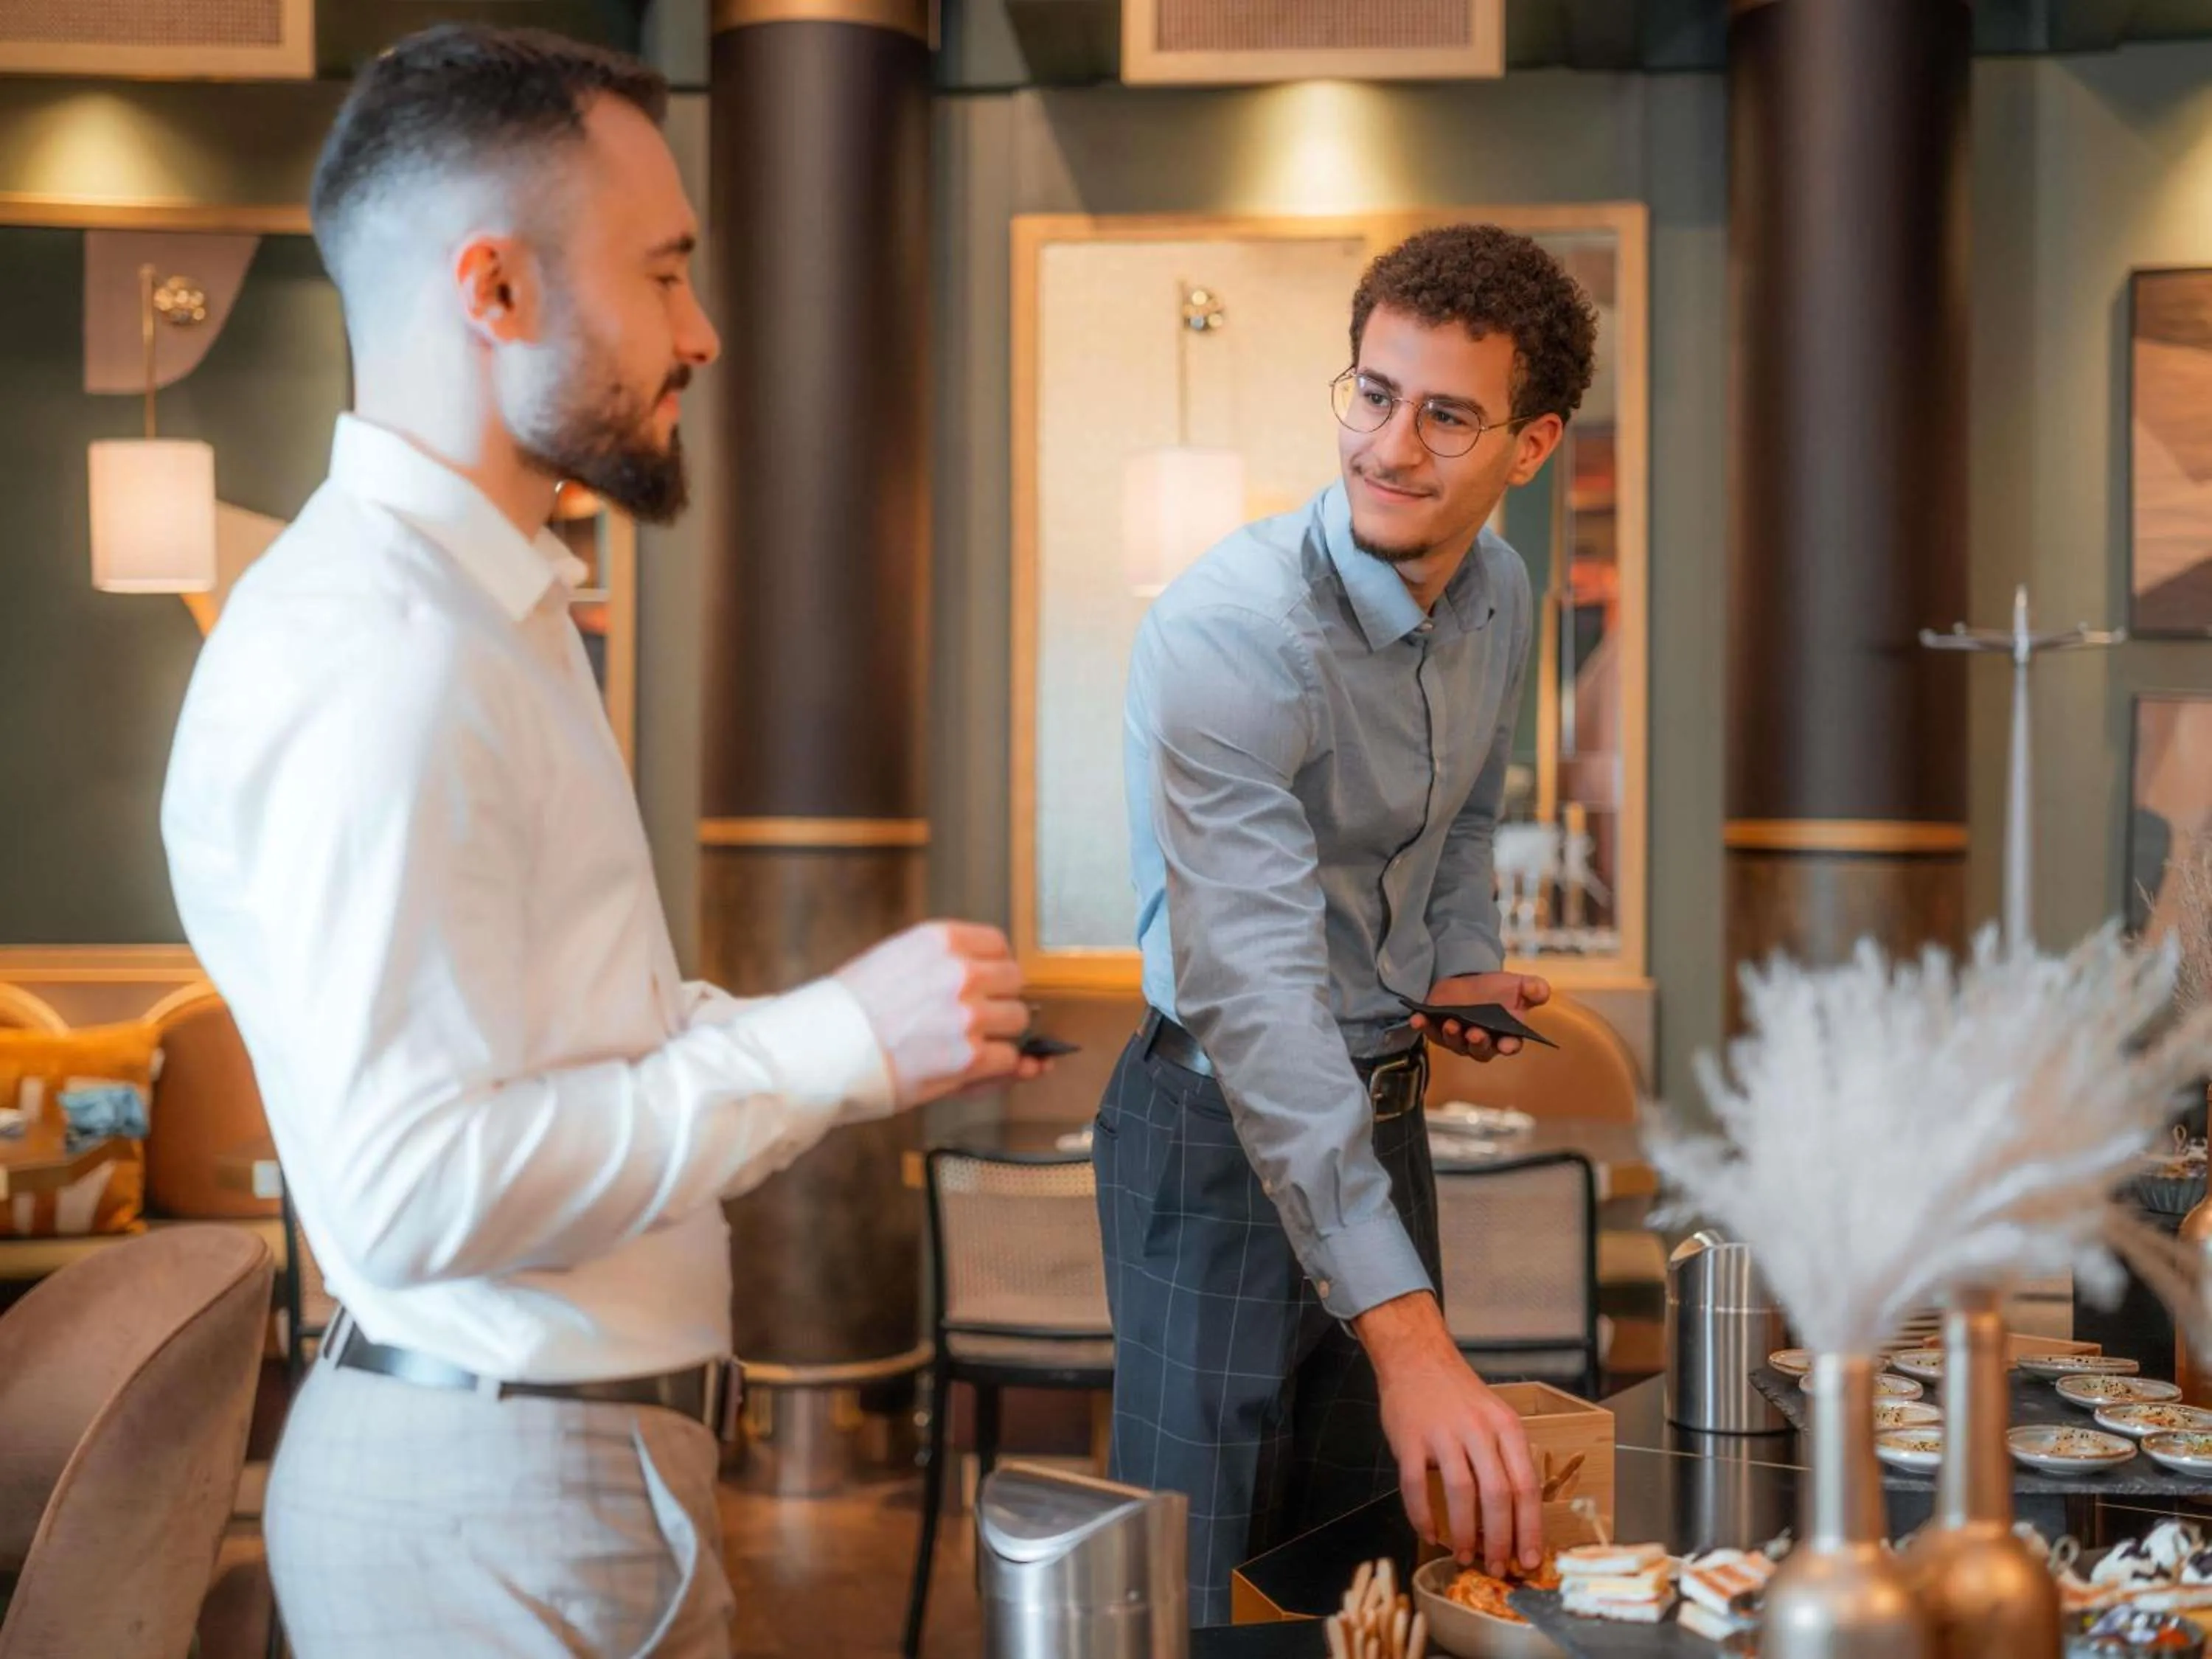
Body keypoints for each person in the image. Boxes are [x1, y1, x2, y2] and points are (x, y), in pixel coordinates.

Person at [161, 26, 1038, 1657]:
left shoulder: (488, 616)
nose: (702, 333)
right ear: (495, 290)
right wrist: (829, 1044)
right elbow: (412, 1187)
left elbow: (570, 1052)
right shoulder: (386, 656)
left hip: (559, 1473)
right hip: (492, 1497)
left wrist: (850, 1041)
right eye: (665, 272)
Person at [1098, 223, 1599, 1622]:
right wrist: (1415, 1340)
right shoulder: (1232, 632)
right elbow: (1258, 1004)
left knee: (1368, 1576)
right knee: (1203, 1593)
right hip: (1212, 1131)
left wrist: (1456, 965)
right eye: (1374, 394)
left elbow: (1469, 821)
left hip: (1384, 1113)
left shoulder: (1501, 594)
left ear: (1531, 444)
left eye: (1447, 415)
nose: (1390, 446)